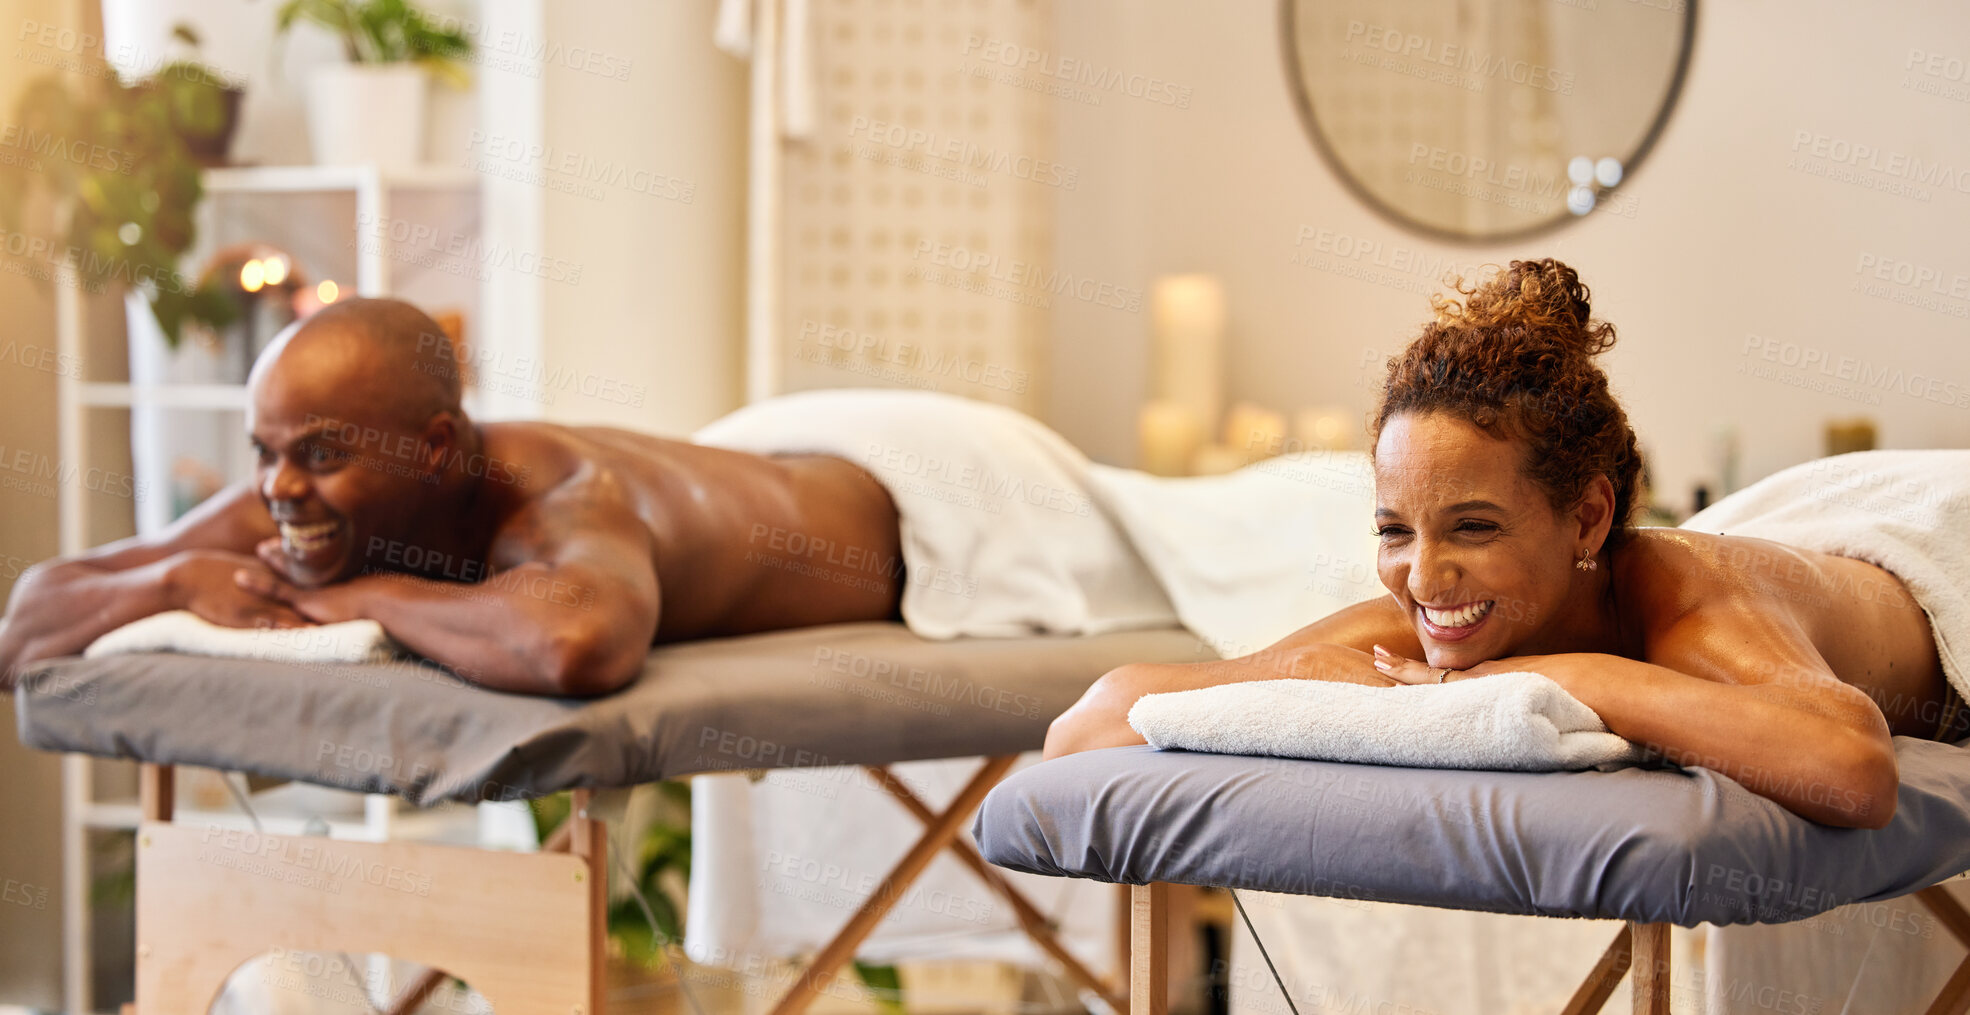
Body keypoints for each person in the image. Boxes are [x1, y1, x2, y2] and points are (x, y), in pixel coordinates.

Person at [1044, 258, 1951, 829]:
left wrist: (1576, 678)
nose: (1426, 577)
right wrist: (1304, 673)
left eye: (1475, 527)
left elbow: (1855, 770)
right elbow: (1088, 723)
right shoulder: (1430, 615)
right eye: (1394, 530)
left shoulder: (1685, 603)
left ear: (1589, 519)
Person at [0, 298, 905, 697]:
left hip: (900, 496)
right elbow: (24, 627)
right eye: (264, 453)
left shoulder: (561, 498)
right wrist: (168, 584)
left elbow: (576, 644)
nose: (278, 487)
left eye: (317, 453)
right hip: (751, 463)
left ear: (432, 448)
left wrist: (349, 598)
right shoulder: (297, 494)